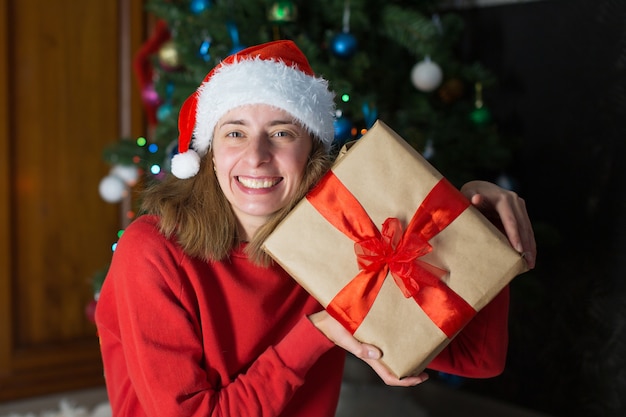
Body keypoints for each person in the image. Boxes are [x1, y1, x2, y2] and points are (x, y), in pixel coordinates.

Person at [95, 40, 536, 417]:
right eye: (234, 133)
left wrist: (479, 219)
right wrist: (320, 330)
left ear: (312, 152)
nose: (257, 156)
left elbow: (476, 358)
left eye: (282, 133)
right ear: (208, 153)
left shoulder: (339, 243)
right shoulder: (152, 250)